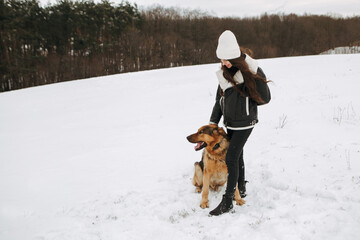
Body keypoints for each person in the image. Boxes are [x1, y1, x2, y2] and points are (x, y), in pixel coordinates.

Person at [208, 30, 271, 216]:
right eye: (221, 59)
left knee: (231, 157)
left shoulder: (249, 72)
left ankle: (228, 201)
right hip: (231, 123)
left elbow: (266, 98)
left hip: (246, 122)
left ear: (235, 57)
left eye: (227, 59)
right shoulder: (223, 75)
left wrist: (253, 67)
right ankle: (241, 187)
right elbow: (219, 101)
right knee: (238, 155)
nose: (224, 63)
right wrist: (213, 122)